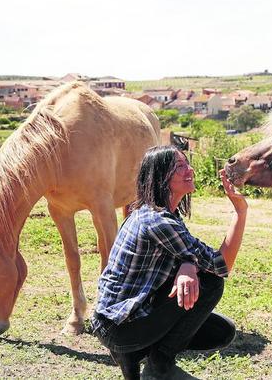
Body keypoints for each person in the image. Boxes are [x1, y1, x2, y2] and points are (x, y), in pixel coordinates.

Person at [92, 145, 248, 380]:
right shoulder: (158, 221)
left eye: (187, 163)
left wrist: (188, 264)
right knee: (211, 283)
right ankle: (159, 365)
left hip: (117, 320)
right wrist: (240, 211)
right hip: (121, 326)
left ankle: (135, 357)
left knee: (220, 331)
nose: (190, 169)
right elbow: (220, 264)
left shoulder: (152, 213)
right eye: (179, 166)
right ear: (160, 177)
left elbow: (184, 254)